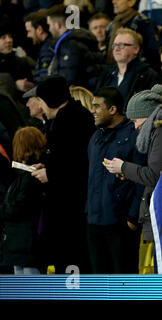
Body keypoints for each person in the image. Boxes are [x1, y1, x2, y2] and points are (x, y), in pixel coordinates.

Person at [103, 84, 162, 242]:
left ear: (147, 115)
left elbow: (154, 176)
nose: (135, 126)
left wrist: (123, 166)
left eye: (135, 120)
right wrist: (127, 173)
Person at [30, 75, 96, 274]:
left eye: (41, 101)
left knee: (71, 261)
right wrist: (47, 166)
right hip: (67, 211)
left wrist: (50, 174)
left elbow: (77, 164)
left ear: (49, 99)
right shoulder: (67, 117)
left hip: (72, 213)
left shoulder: (72, 119)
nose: (40, 107)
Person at [86, 86, 145, 274]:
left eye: (97, 106)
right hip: (94, 222)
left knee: (123, 282)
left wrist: (133, 218)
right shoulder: (95, 136)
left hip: (120, 224)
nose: (92, 110)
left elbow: (142, 180)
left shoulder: (135, 136)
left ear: (113, 109)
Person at [0, 127, 47, 275]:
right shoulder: (30, 174)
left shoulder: (29, 177)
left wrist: (2, 210)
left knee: (29, 286)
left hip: (25, 243)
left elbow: (18, 207)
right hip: (22, 243)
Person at [96, 28, 162, 107]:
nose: (116, 49)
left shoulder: (148, 75)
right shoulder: (106, 75)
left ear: (136, 49)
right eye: (114, 45)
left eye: (121, 45)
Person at [45, 4, 104, 91]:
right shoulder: (74, 40)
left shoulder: (70, 46)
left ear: (58, 25)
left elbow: (67, 82)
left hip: (81, 98)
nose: (49, 29)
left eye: (49, 25)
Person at [105, 0, 162, 69]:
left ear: (131, 2)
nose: (114, 1)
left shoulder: (144, 23)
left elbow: (153, 54)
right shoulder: (112, 25)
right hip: (115, 71)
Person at [23, 10, 54, 85]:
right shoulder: (48, 45)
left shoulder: (47, 50)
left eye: (29, 31)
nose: (28, 35)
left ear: (39, 29)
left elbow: (44, 80)